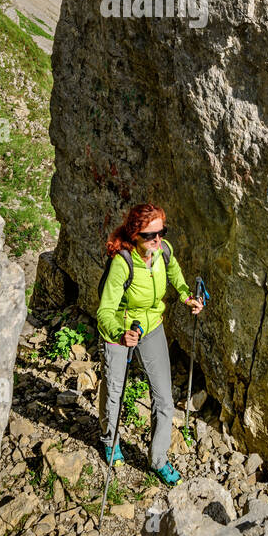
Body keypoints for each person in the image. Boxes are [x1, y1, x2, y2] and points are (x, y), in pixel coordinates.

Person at [96, 202, 203, 486]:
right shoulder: (122, 263)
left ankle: (158, 460)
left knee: (164, 399)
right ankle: (110, 439)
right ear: (134, 235)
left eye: (161, 232)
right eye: (150, 235)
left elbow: (175, 273)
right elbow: (104, 311)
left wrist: (185, 295)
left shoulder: (162, 251)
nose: (158, 239)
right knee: (114, 392)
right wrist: (120, 333)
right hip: (120, 330)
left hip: (152, 327)